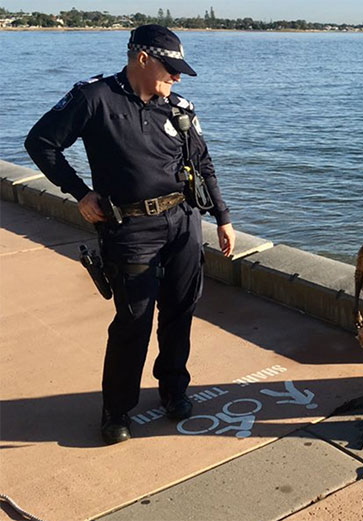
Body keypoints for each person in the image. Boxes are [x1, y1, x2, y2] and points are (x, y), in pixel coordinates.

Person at [24, 25, 236, 445]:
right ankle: (116, 409)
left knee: (180, 311)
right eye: (170, 68)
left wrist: (222, 217)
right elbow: (41, 142)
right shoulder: (93, 98)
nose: (176, 77)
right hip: (130, 228)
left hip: (183, 221)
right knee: (133, 321)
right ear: (142, 59)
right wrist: (80, 193)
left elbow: (203, 163)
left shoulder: (178, 107)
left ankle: (174, 390)